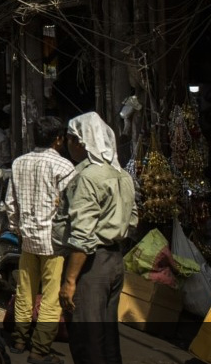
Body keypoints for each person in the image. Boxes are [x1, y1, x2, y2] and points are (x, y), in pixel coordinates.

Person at [56, 112, 136, 364]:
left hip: (92, 264)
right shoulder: (121, 174)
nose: (69, 145)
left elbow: (83, 236)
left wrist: (70, 280)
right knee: (106, 334)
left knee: (87, 337)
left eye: (71, 139)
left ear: (82, 142)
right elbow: (132, 219)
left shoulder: (89, 177)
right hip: (114, 260)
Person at [2, 115, 75, 363]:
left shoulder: (19, 163)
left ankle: (20, 339)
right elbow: (68, 208)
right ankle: (40, 348)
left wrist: (17, 228)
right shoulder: (65, 167)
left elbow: (10, 203)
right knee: (51, 297)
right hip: (53, 242)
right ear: (58, 139)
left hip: (28, 239)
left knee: (25, 291)